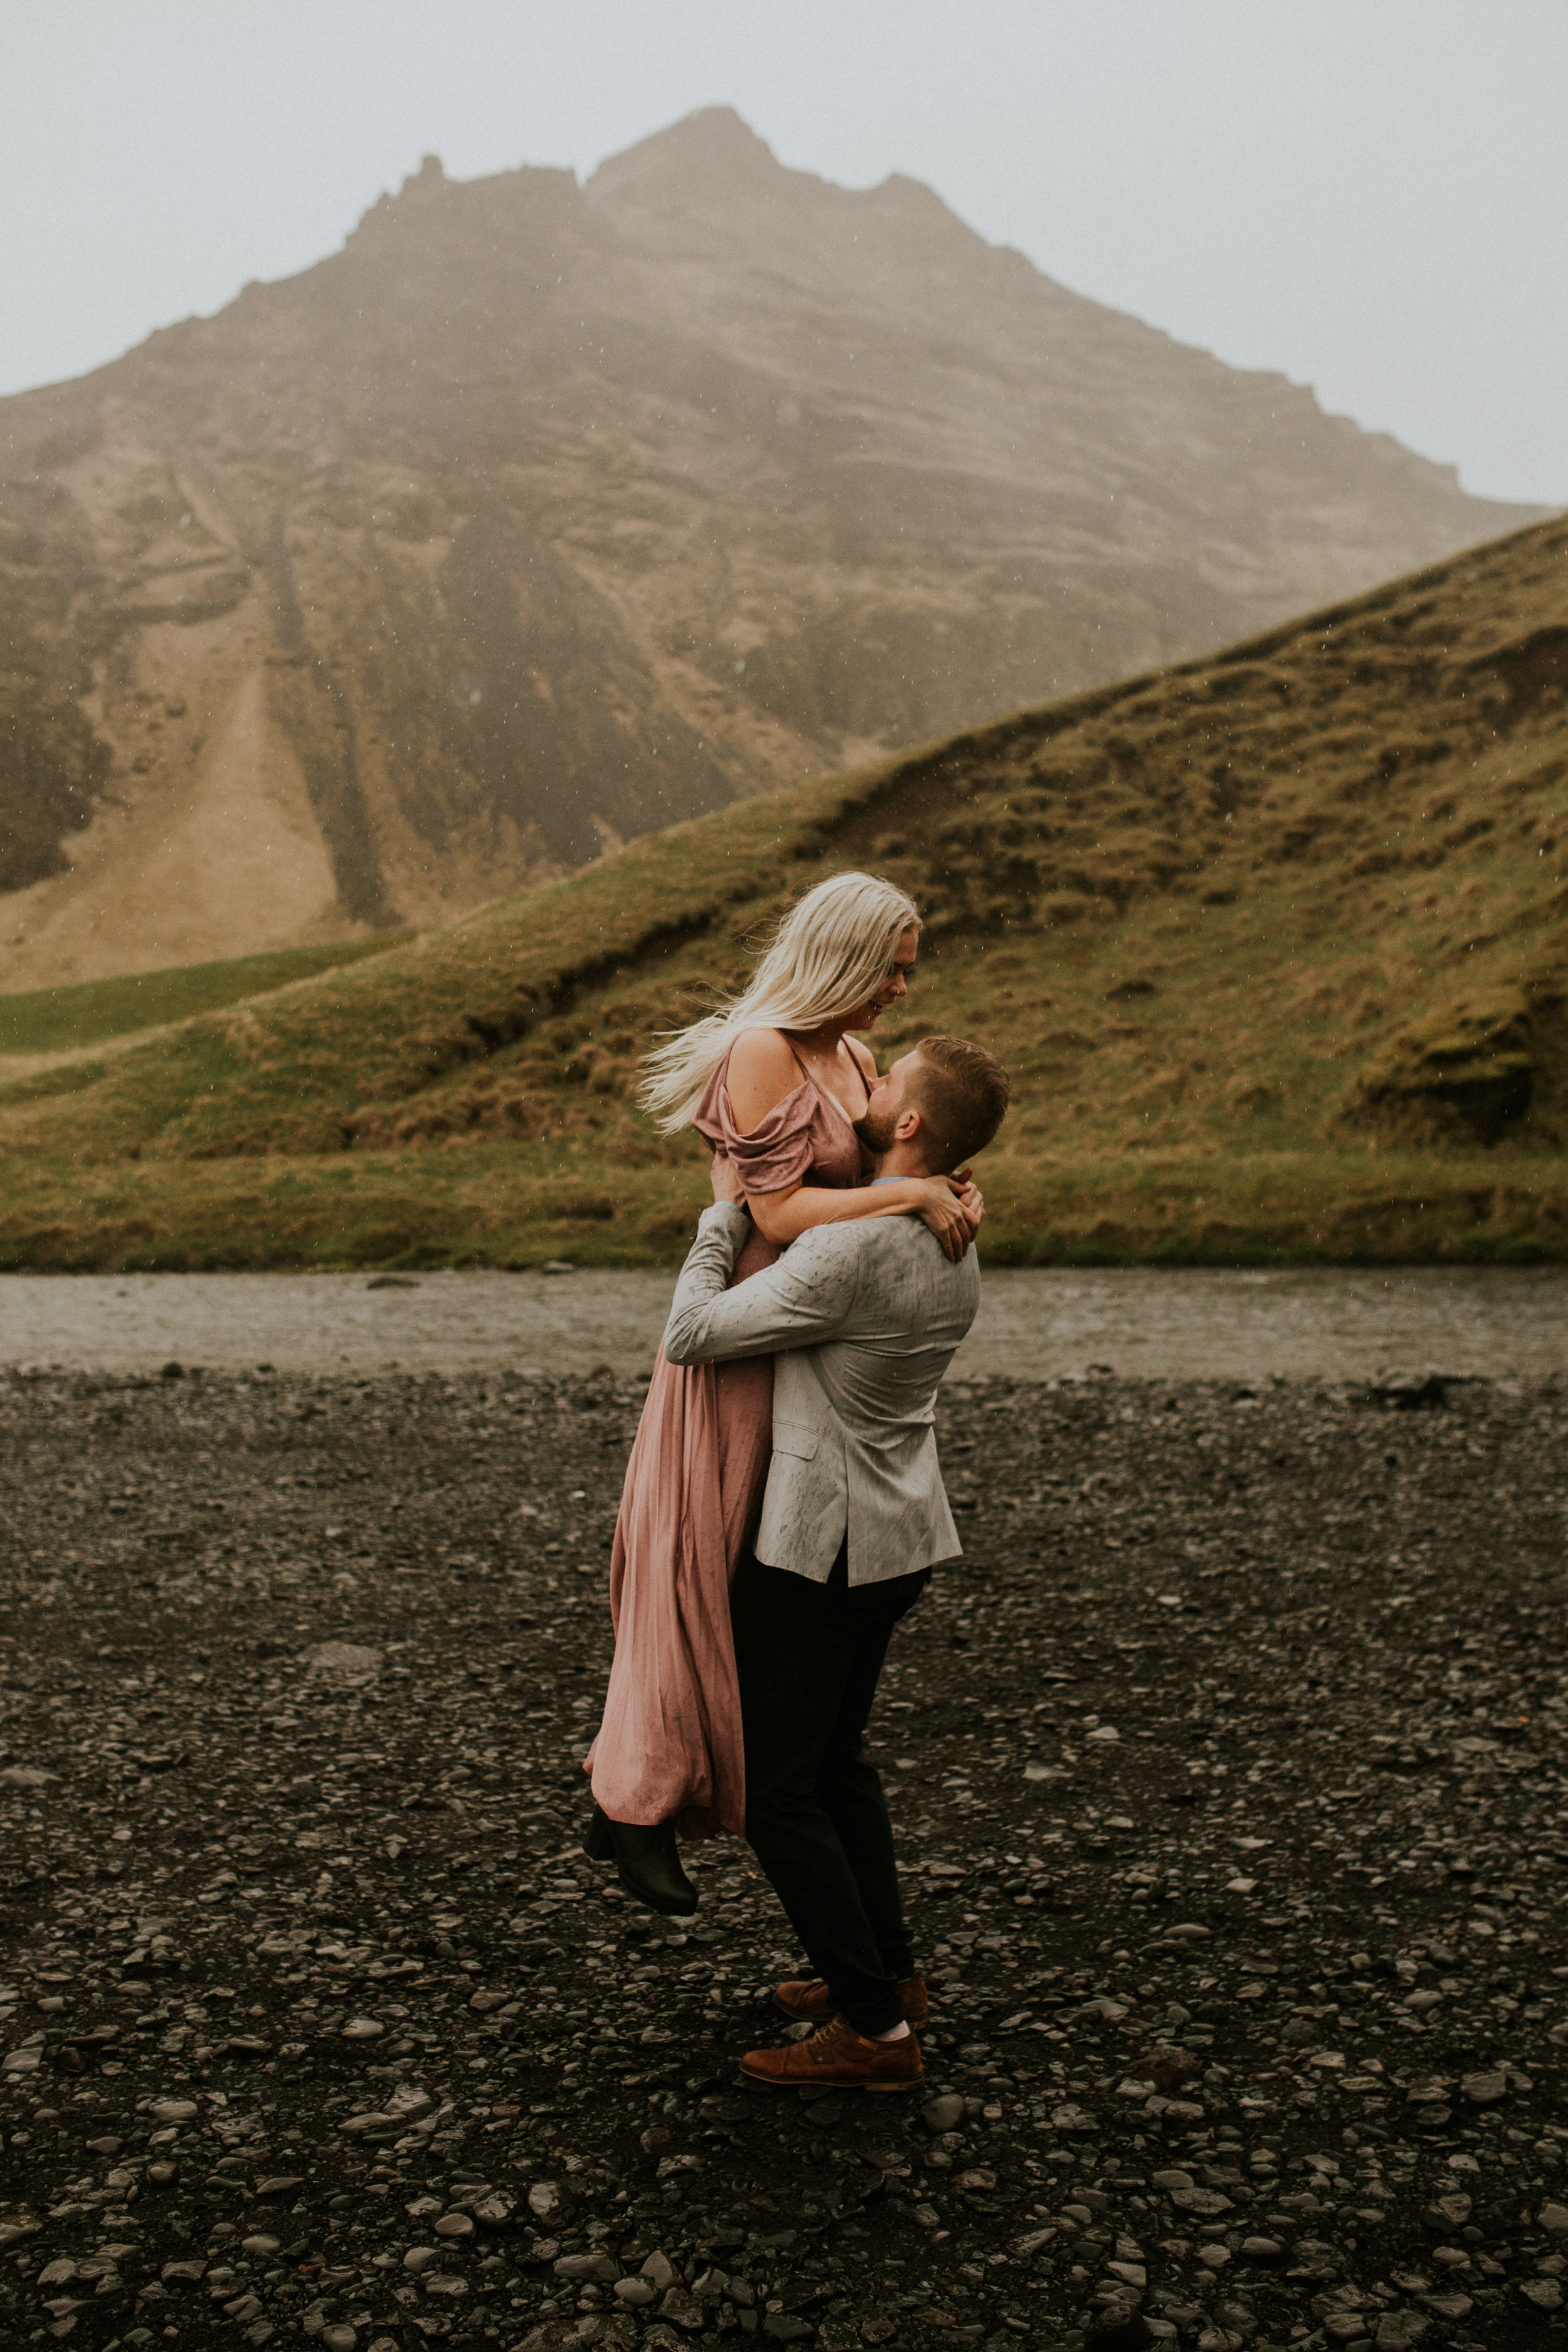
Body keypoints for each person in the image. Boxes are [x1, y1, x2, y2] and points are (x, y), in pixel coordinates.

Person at [582, 872, 982, 1915]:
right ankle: (634, 1800)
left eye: (905, 968)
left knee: (728, 1585)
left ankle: (642, 1793)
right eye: (890, 967)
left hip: (802, 1336)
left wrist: (942, 1178)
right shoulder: (762, 1047)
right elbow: (780, 1207)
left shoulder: (850, 1053)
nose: (901, 988)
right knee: (691, 1568)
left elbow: (859, 1182)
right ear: (841, 955)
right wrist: (912, 1191)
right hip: (735, 1334)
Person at [658, 1033, 1012, 2092]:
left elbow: (691, 1332)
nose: (867, 1081)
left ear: (908, 1124)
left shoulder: (854, 1250)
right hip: (902, 1537)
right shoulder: (952, 1228)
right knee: (839, 1761)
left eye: (886, 1077)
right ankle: (886, 1976)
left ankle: (875, 2036)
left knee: (777, 1788)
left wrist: (726, 1212)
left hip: (825, 1547)